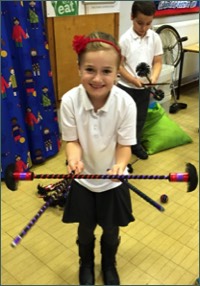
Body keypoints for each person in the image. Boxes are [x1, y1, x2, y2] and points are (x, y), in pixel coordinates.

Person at [60, 32, 137, 285]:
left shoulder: (126, 103)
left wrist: (120, 165)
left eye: (106, 71)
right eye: (90, 69)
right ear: (79, 67)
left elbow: (124, 146)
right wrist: (73, 160)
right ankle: (86, 263)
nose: (97, 78)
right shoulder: (70, 101)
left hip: (112, 180)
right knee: (85, 229)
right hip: (83, 180)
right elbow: (72, 141)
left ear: (118, 70)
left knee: (111, 229)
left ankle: (109, 263)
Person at [118, 1, 163, 160]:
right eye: (140, 23)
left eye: (148, 23)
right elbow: (119, 65)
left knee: (140, 117)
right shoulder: (124, 40)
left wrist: (154, 78)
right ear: (132, 17)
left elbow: (157, 61)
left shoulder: (155, 38)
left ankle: (135, 143)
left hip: (144, 88)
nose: (144, 28)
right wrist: (132, 79)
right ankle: (121, 146)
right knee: (124, 119)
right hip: (126, 87)